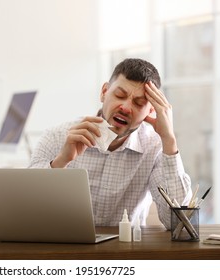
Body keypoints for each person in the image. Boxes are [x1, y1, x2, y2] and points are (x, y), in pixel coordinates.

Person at [29, 58, 192, 229]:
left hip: (125, 252)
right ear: (104, 92)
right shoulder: (57, 136)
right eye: (119, 95)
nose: (126, 108)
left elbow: (179, 224)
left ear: (151, 111)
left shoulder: (155, 147)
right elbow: (27, 207)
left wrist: (169, 139)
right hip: (65, 250)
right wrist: (61, 161)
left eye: (139, 103)